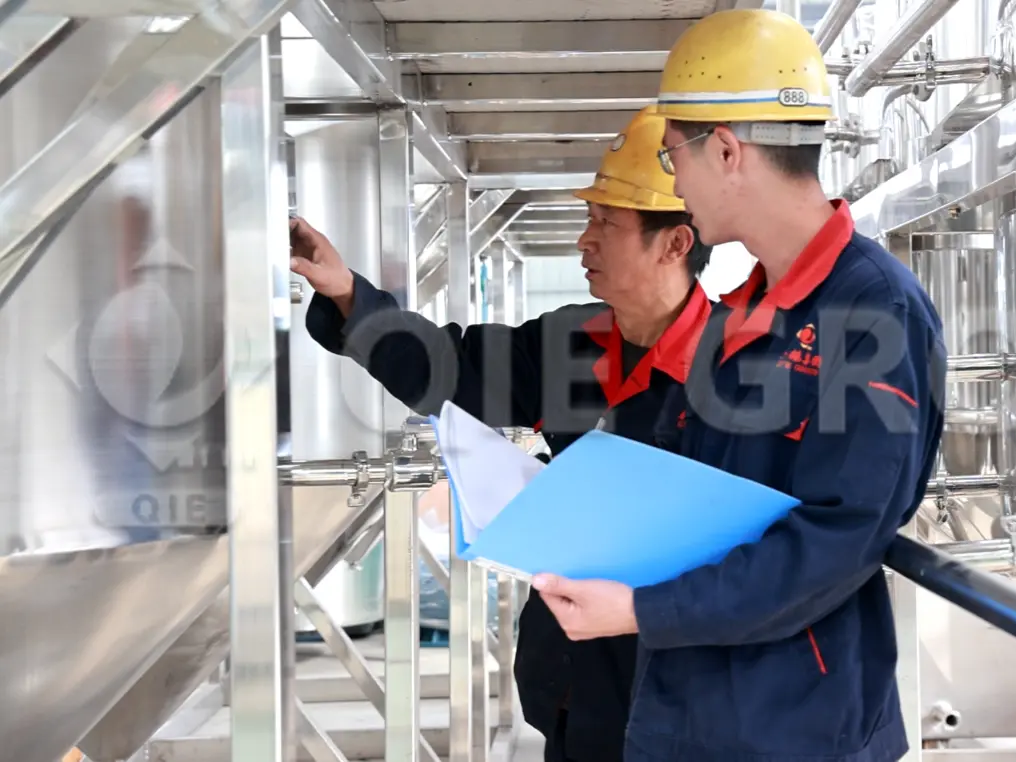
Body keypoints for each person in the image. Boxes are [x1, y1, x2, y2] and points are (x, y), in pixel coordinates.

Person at [526, 10, 947, 761]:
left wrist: (643, 608)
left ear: (724, 150)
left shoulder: (869, 311)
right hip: (704, 705)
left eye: (672, 155)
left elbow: (836, 537)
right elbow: (700, 493)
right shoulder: (752, 306)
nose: (673, 179)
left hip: (792, 724)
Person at [289, 106, 714, 762]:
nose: (585, 240)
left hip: (688, 699)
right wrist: (349, 296)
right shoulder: (571, 341)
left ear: (676, 243)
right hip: (577, 690)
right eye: (588, 219)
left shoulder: (741, 369)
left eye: (607, 223)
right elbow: (447, 368)